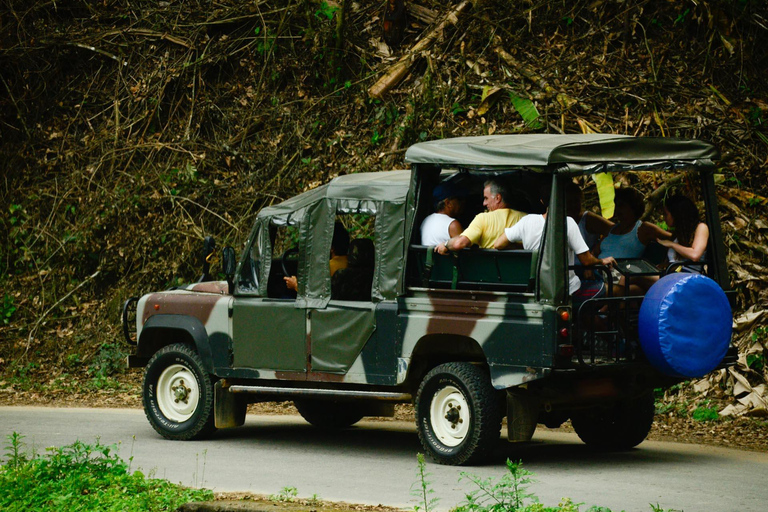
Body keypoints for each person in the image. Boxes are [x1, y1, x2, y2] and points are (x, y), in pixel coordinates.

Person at [493, 199, 616, 295]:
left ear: (542, 201)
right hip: (567, 291)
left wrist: (527, 249)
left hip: (537, 289)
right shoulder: (568, 222)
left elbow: (498, 244)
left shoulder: (527, 221)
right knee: (610, 290)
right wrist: (602, 261)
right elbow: (586, 260)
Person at [437, 178, 525, 254]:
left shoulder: (483, 218)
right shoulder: (526, 219)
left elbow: (459, 243)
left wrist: (445, 244)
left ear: (498, 198)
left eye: (486, 198)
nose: (484, 203)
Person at [596, 187, 671, 259]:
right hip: (599, 269)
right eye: (616, 205)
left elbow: (672, 238)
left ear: (633, 207)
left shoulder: (642, 229)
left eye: (622, 206)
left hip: (621, 270)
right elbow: (594, 252)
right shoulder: (610, 229)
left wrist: (666, 262)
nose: (618, 209)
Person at [284, 221, 349, 292]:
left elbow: (312, 295)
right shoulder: (354, 265)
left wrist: (295, 285)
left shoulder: (326, 268)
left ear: (331, 248)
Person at [657, 194, 709, 271]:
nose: (664, 218)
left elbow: (695, 255)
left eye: (665, 214)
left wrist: (672, 245)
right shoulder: (679, 233)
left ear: (676, 214)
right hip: (673, 274)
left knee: (638, 278)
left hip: (688, 277)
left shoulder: (701, 227)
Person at [565, 181, 614, 254]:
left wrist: (598, 248)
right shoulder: (558, 221)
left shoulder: (587, 219)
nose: (573, 206)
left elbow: (614, 230)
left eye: (576, 201)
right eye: (569, 202)